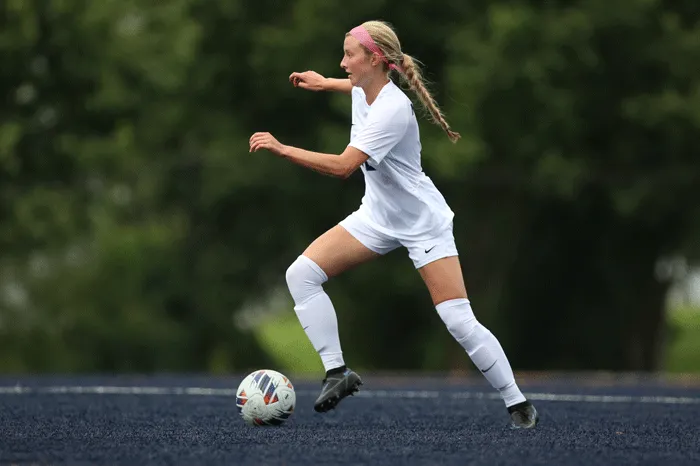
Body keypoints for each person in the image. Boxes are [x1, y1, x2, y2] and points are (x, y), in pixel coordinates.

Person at [249, 20, 539, 429]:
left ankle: (518, 403)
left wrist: (283, 149)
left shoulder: (392, 109)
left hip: (422, 224)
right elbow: (353, 88)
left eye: (350, 54)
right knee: (301, 275)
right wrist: (323, 83)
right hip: (377, 216)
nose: (343, 61)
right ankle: (337, 372)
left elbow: (344, 166)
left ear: (375, 59)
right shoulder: (365, 89)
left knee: (458, 319)